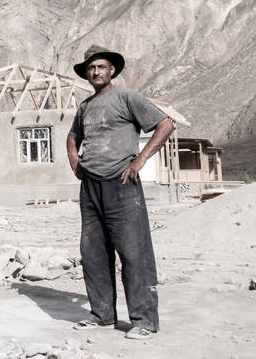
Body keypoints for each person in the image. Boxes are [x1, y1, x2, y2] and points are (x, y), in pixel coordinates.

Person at [66, 45, 174, 341]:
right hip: (91, 189)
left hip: (122, 184)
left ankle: (144, 320)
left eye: (101, 66)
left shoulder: (126, 97)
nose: (96, 72)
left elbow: (165, 125)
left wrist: (141, 159)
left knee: (134, 253)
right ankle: (101, 314)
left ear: (112, 69)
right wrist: (75, 162)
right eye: (91, 68)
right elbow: (72, 137)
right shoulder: (86, 106)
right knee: (93, 254)